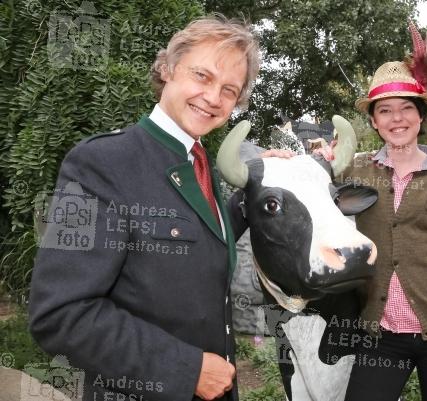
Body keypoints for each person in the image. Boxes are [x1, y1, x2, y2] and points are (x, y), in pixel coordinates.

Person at [28, 15, 290, 401]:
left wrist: (259, 182)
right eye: (202, 76)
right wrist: (188, 370)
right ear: (167, 68)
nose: (214, 97)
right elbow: (60, 315)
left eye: (229, 90)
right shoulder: (100, 163)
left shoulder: (197, 162)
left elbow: (198, 240)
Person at [318, 23, 427, 401]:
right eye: (385, 111)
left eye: (405, 109)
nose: (396, 119)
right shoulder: (356, 170)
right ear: (374, 121)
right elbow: (308, 182)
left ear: (420, 116)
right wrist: (284, 157)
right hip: (380, 333)